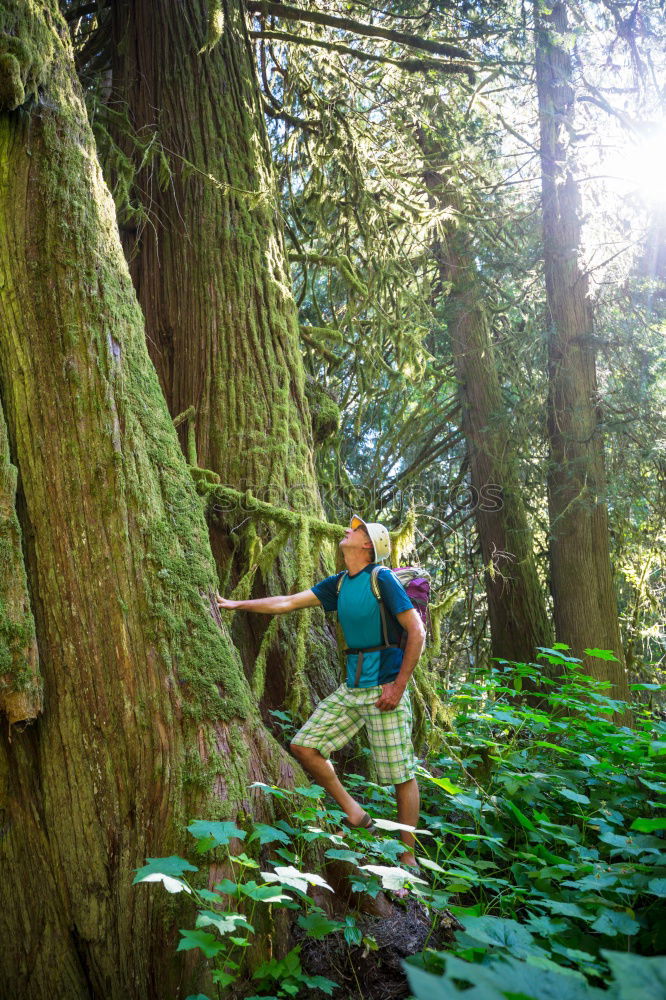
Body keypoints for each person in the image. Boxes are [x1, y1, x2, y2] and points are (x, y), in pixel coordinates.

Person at [216, 514, 426, 867]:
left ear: (366, 545)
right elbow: (288, 602)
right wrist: (237, 604)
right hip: (352, 688)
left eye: (356, 530)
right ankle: (354, 811)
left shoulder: (382, 578)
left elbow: (416, 631)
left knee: (400, 773)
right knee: (305, 745)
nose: (348, 529)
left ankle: (408, 855)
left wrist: (398, 687)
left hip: (384, 688)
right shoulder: (340, 583)